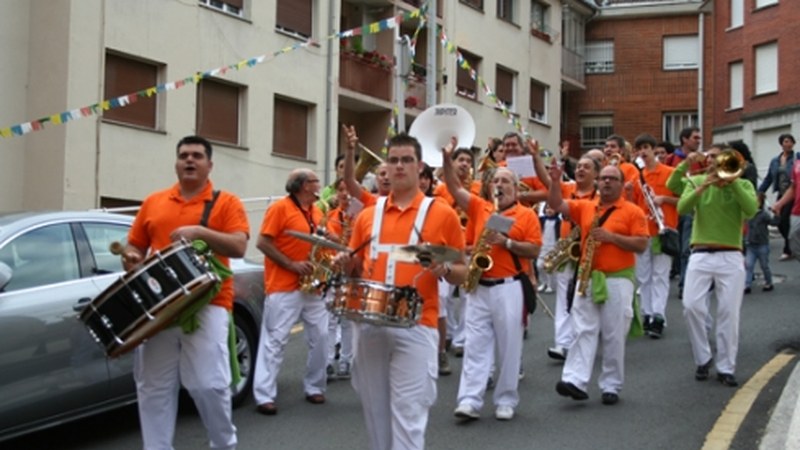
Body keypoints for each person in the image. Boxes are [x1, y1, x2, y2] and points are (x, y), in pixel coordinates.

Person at [338, 130, 467, 450]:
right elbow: (355, 268)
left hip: (417, 324)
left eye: (406, 160)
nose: (398, 167)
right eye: (393, 160)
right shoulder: (368, 215)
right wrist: (345, 262)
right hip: (369, 323)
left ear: (419, 166)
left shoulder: (442, 214)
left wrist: (446, 268)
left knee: (409, 416)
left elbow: (463, 272)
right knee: (375, 415)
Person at [122, 135, 249, 450]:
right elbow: (134, 245)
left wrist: (199, 232)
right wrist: (131, 257)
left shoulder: (226, 202)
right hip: (161, 307)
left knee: (208, 385)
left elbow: (238, 244)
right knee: (153, 388)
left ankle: (223, 444)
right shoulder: (154, 201)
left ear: (209, 164)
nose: (189, 160)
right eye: (183, 156)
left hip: (209, 303)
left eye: (196, 155)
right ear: (176, 163)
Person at [443, 137, 542, 422]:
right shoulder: (479, 207)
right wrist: (447, 160)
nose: (499, 185)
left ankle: (506, 399)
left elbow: (534, 249)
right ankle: (469, 400)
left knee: (509, 345)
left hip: (509, 287)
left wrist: (508, 243)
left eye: (506, 181)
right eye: (495, 181)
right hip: (479, 287)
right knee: (475, 345)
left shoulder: (526, 215)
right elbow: (453, 188)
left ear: (516, 187)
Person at [548, 163, 649, 405]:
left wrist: (612, 237)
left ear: (621, 184)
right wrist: (553, 181)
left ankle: (611, 384)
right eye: (603, 178)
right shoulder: (585, 206)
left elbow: (642, 245)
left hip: (618, 278)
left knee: (613, 334)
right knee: (583, 329)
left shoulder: (633, 211)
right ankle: (575, 380)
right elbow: (556, 204)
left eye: (612, 179)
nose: (606, 182)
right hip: (588, 275)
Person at [252, 168, 329, 415]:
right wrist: (291, 264)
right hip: (284, 285)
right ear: (305, 185)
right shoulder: (279, 209)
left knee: (322, 337)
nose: (319, 184)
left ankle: (315, 386)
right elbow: (263, 243)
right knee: (275, 340)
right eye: (316, 181)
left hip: (312, 286)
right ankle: (264, 394)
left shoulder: (316, 211)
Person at [678, 149, 757, 387]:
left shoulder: (742, 184)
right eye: (711, 158)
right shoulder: (697, 180)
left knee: (728, 313)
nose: (714, 162)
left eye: (720, 160)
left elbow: (751, 210)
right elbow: (682, 208)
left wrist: (731, 183)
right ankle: (703, 357)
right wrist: (704, 186)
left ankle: (726, 367)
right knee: (691, 307)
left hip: (731, 255)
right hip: (700, 254)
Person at [544, 156, 600, 361]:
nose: (581, 169)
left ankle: (584, 338)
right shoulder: (567, 188)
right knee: (563, 297)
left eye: (587, 167)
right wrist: (553, 178)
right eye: (579, 166)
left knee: (584, 298)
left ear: (596, 174)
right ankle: (563, 342)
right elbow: (551, 193)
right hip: (568, 249)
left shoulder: (600, 196)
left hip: (590, 251)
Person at [433, 146, 481, 370]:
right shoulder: (442, 189)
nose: (464, 164)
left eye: (467, 161)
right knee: (445, 297)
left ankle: (461, 339)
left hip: (470, 248)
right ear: (451, 163)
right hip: (447, 246)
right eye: (460, 160)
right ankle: (449, 332)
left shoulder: (479, 188)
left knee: (466, 295)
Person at [628, 133, 679, 339]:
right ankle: (647, 313)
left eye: (646, 148)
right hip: (643, 232)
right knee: (643, 276)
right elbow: (631, 207)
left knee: (660, 275)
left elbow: (684, 201)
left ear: (653, 149)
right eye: (639, 149)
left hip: (664, 230)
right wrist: (630, 192)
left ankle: (658, 315)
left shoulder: (670, 173)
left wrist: (664, 198)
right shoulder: (636, 177)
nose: (643, 152)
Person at [324, 178, 358, 380]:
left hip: (351, 271)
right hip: (334, 270)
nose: (344, 194)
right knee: (330, 319)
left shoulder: (359, 216)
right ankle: (327, 361)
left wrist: (339, 241)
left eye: (347, 190)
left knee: (347, 320)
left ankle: (346, 360)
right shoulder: (330, 217)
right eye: (341, 190)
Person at [665, 127, 703, 298]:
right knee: (673, 246)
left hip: (689, 207)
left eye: (699, 137)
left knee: (687, 247)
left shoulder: (702, 160)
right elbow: (667, 183)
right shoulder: (671, 159)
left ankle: (684, 285)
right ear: (684, 139)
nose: (698, 140)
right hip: (672, 207)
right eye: (695, 137)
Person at [758, 133, 797, 260]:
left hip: (793, 194)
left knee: (785, 220)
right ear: (781, 144)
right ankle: (790, 245)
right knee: (779, 222)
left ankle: (788, 249)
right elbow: (769, 178)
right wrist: (760, 191)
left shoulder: (797, 158)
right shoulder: (775, 161)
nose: (788, 144)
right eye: (786, 141)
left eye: (790, 141)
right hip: (781, 193)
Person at [771, 144, 800, 263]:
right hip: (797, 210)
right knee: (793, 238)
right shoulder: (797, 164)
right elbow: (793, 188)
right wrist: (779, 204)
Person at [745, 194, 779, 293]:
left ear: (760, 203)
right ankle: (747, 285)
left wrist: (777, 215)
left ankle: (769, 282)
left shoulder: (763, 215)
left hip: (762, 244)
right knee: (749, 265)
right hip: (750, 244)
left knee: (764, 265)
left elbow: (773, 223)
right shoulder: (748, 214)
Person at [537, 206, 560, 294]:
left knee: (550, 267)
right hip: (543, 246)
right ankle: (543, 282)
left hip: (553, 246)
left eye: (551, 209)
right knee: (539, 265)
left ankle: (551, 285)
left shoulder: (558, 221)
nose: (549, 211)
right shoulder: (542, 220)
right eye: (547, 209)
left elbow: (559, 234)